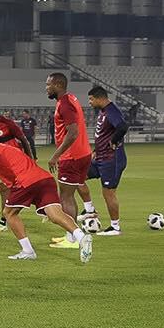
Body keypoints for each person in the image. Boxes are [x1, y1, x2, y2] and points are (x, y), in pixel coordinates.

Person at [0, 132, 92, 263]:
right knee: (54, 214)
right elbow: (7, 184)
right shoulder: (6, 149)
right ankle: (81, 237)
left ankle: (28, 251)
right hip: (45, 179)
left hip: (26, 182)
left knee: (8, 213)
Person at [45, 73, 94, 249]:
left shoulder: (64, 104)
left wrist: (56, 155)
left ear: (58, 85)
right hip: (82, 154)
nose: (46, 87)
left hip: (72, 157)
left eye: (49, 84)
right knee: (68, 195)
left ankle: (72, 238)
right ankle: (70, 234)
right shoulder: (71, 98)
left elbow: (73, 132)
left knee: (65, 197)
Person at [0, 99, 35, 233]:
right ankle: (5, 220)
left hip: (15, 164)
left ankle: (4, 221)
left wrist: (30, 159)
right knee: (13, 190)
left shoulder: (7, 123)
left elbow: (23, 140)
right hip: (2, 166)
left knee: (10, 189)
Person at [87, 87, 128, 236]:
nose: (90, 102)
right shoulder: (103, 112)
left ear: (99, 98)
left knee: (108, 193)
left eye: (91, 99)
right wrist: (96, 150)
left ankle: (115, 227)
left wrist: (113, 140)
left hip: (112, 160)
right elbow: (103, 133)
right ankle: (89, 209)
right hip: (101, 158)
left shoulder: (112, 111)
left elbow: (122, 126)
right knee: (78, 177)